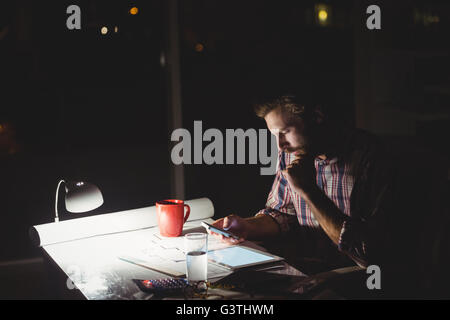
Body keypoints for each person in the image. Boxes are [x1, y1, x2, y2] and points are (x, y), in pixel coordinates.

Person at [209, 94, 411, 295]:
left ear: (317, 116)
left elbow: (368, 253)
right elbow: (282, 215)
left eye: (286, 132)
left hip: (360, 284)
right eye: (274, 135)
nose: (280, 145)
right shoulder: (290, 153)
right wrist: (246, 226)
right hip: (305, 274)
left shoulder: (371, 158)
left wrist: (309, 191)